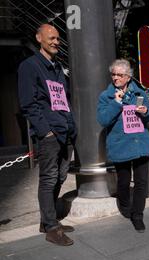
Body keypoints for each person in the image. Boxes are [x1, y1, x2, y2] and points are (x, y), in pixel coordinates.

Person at [18, 24, 77, 246]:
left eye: (58, 39)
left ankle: (48, 220)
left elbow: (63, 99)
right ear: (38, 38)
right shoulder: (29, 66)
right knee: (49, 178)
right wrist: (46, 132)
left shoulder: (57, 67)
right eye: (51, 38)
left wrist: (71, 126)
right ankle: (51, 227)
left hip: (66, 131)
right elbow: (28, 104)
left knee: (61, 177)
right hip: (50, 134)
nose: (55, 42)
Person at [97, 59, 149, 233]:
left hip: (140, 144)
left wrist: (146, 112)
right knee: (123, 181)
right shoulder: (106, 96)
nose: (115, 78)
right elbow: (103, 120)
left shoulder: (139, 93)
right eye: (113, 74)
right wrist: (116, 103)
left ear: (128, 77)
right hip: (120, 145)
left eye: (120, 75)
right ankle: (124, 206)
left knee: (141, 182)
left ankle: (138, 215)